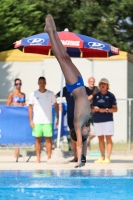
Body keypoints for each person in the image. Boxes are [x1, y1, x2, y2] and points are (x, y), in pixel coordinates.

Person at [45, 14, 90, 168]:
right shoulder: (79, 123)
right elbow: (79, 145)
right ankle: (50, 32)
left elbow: (82, 145)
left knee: (64, 57)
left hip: (80, 82)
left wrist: (83, 161)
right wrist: (79, 162)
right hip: (75, 86)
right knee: (61, 57)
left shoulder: (86, 122)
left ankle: (53, 31)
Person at [56, 86, 92, 162]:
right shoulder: (66, 88)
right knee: (73, 136)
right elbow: (56, 96)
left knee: (80, 136)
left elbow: (93, 93)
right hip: (71, 116)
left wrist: (88, 100)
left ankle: (81, 156)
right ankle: (75, 156)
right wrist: (58, 104)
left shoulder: (82, 87)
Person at [28, 77, 59, 163]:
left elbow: (56, 105)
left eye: (43, 82)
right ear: (38, 83)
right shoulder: (33, 94)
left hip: (47, 120)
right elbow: (30, 107)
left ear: (45, 83)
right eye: (40, 82)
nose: (42, 84)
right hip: (37, 121)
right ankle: (38, 158)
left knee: (48, 139)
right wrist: (31, 120)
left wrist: (58, 117)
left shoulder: (50, 93)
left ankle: (49, 157)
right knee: (37, 140)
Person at [91, 78, 118, 164]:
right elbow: (91, 109)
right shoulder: (96, 96)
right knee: (100, 139)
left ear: (107, 86)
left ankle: (108, 157)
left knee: (108, 138)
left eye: (104, 84)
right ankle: (102, 157)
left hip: (108, 120)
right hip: (97, 120)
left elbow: (115, 109)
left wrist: (105, 110)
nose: (103, 85)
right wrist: (94, 109)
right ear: (99, 85)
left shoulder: (111, 96)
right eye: (101, 84)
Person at [6, 78, 26, 158]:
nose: (18, 85)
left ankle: (18, 151)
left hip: (21, 116)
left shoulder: (23, 95)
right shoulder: (12, 94)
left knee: (20, 133)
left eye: (20, 83)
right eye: (17, 84)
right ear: (15, 85)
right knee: (16, 133)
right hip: (14, 116)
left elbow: (24, 104)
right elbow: (7, 105)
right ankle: (16, 152)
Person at [87, 77, 100, 150]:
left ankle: (88, 140)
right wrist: (93, 95)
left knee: (96, 131)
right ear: (88, 82)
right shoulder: (85, 90)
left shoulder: (97, 89)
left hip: (95, 112)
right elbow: (87, 98)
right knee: (88, 130)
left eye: (93, 81)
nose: (92, 83)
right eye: (91, 81)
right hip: (88, 112)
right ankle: (89, 147)